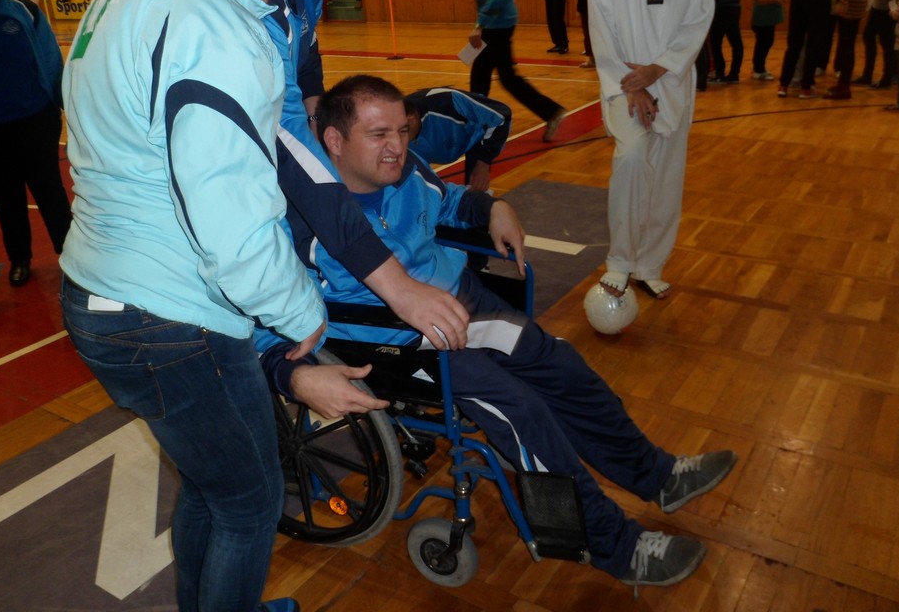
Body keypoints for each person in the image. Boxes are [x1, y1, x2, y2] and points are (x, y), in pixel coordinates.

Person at [263, 73, 738, 591]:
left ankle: (657, 476)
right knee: (521, 410)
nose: (396, 146)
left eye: (401, 131)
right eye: (378, 135)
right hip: (397, 343)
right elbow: (270, 307)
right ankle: (615, 547)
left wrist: (493, 207)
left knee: (561, 362)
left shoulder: (405, 170)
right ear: (334, 141)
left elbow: (447, 200)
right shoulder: (301, 218)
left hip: (462, 302)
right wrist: (292, 369)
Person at [58, 0, 330, 610]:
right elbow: (231, 223)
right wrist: (300, 309)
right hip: (168, 313)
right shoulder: (216, 27)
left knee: (216, 488)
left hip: (101, 289)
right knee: (250, 501)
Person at [264, 0, 470, 364]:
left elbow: (308, 69)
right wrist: (397, 286)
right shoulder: (262, 17)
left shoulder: (303, 0)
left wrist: (326, 127)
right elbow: (290, 146)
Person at [588, 0, 714, 302]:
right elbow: (602, 28)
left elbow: (698, 20)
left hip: (672, 81)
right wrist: (634, 86)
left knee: (665, 179)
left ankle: (649, 265)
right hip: (624, 85)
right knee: (632, 158)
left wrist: (658, 71)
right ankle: (620, 260)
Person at [0, 0, 72, 287]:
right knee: (6, 196)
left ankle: (70, 254)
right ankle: (19, 259)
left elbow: (51, 60)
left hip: (35, 120)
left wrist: (61, 104)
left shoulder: (23, 10)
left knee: (50, 190)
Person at [468, 0, 566, 142]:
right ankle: (550, 112)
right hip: (493, 23)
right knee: (495, 75)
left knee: (488, 75)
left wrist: (480, 25)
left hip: (498, 24)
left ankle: (477, 124)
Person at [404, 86, 512, 192]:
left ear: (412, 121)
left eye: (401, 132)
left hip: (474, 138)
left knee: (476, 192)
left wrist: (483, 163)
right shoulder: (401, 128)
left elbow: (501, 116)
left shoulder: (449, 101)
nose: (397, 141)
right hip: (440, 147)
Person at [750, 0, 784, 80]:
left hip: (768, 20)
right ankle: (758, 69)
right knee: (763, 45)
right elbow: (759, 0)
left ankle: (760, 67)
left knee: (766, 43)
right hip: (762, 21)